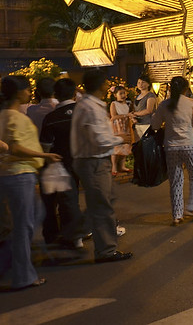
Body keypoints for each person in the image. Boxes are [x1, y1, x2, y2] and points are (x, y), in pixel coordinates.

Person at [0, 76, 62, 289]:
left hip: (12, 174)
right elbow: (15, 148)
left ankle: (17, 268)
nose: (29, 93)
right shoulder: (15, 118)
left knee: (26, 222)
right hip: (20, 174)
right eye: (27, 90)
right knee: (24, 225)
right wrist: (46, 156)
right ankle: (22, 275)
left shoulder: (5, 115)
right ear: (18, 92)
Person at [70, 69, 132, 263]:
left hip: (94, 160)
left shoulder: (91, 105)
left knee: (106, 199)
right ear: (100, 86)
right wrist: (119, 138)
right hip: (93, 160)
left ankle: (74, 230)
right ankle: (106, 250)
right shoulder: (90, 107)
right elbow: (99, 140)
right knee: (102, 206)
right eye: (105, 83)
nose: (108, 86)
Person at [151, 76, 193, 226]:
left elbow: (155, 126)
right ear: (185, 89)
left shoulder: (164, 105)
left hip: (171, 146)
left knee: (175, 181)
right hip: (190, 144)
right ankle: (192, 208)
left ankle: (177, 215)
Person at [39, 78, 84, 249]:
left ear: (55, 95)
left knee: (68, 200)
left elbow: (45, 146)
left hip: (63, 161)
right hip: (86, 160)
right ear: (74, 93)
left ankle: (74, 237)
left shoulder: (51, 118)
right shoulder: (85, 112)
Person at [109, 86, 133, 176]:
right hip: (117, 127)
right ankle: (114, 167)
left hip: (125, 126)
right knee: (116, 147)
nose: (123, 95)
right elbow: (113, 116)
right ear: (115, 95)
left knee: (125, 146)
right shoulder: (113, 104)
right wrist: (126, 115)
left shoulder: (128, 104)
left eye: (124, 93)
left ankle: (122, 166)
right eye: (120, 93)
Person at [131, 75, 157, 140]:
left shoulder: (150, 95)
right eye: (139, 82)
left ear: (148, 84)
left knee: (147, 144)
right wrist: (133, 117)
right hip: (137, 124)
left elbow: (149, 110)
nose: (140, 84)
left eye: (143, 82)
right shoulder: (137, 96)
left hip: (147, 124)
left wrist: (135, 113)